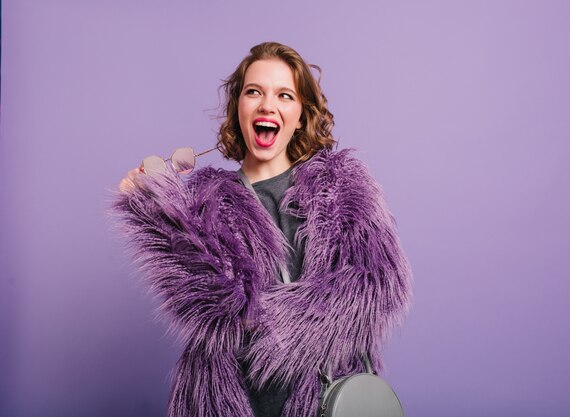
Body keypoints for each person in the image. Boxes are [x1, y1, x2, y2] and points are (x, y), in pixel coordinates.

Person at [114, 41, 412, 417]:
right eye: (254, 92)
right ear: (238, 107)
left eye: (284, 95)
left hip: (323, 399)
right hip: (226, 399)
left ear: (301, 115)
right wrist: (154, 209)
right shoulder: (205, 198)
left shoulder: (341, 186)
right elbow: (212, 304)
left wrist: (278, 327)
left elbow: (377, 284)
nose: (267, 105)